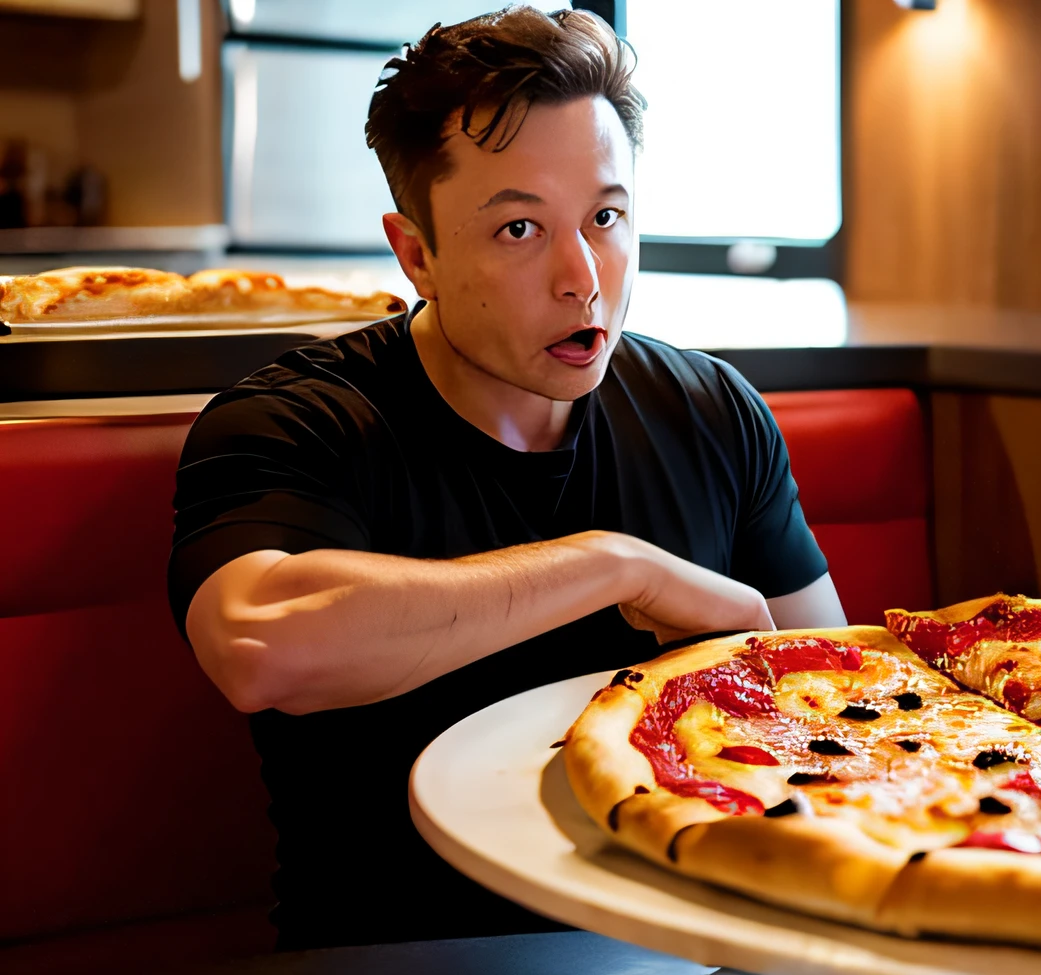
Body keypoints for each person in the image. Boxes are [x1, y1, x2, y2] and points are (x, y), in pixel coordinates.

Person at [168, 6, 845, 950]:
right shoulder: (301, 419)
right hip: (406, 954)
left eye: (606, 218)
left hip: (688, 941)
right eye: (520, 228)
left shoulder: (713, 409)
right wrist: (614, 567)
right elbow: (258, 644)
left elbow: (840, 711)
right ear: (417, 255)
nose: (584, 279)